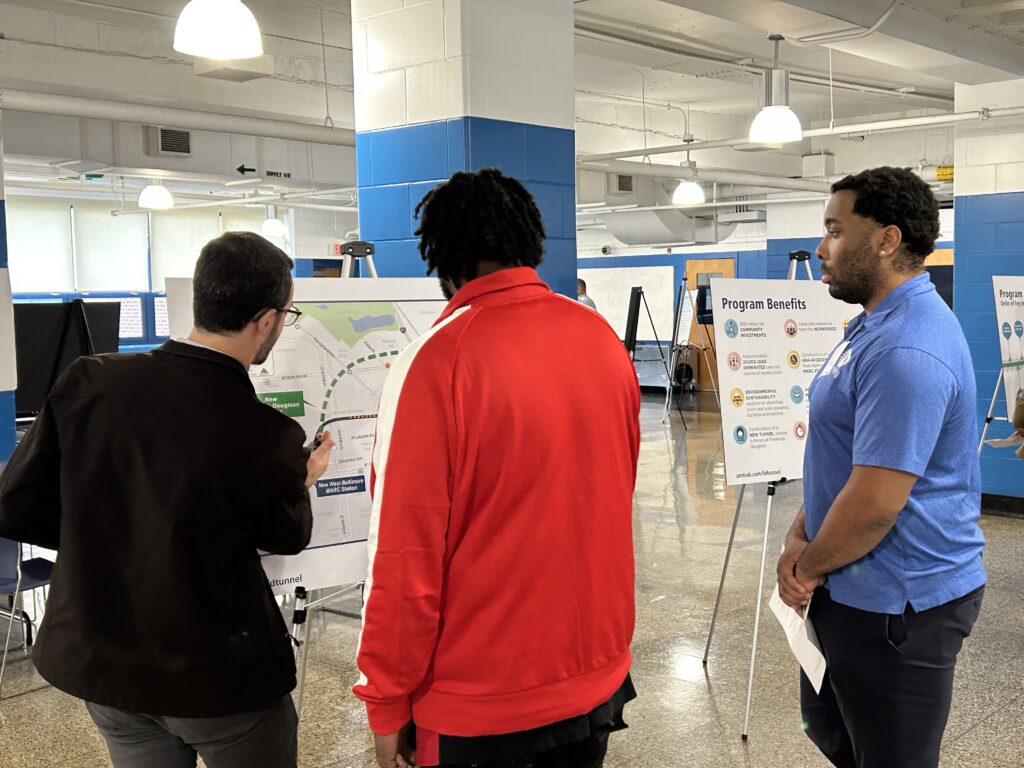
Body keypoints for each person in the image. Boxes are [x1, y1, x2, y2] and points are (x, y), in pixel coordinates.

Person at [0, 232, 335, 768]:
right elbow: (285, 537)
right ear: (267, 320)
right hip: (219, 679)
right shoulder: (265, 434)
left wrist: (113, 533)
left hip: (107, 666)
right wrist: (303, 480)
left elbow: (14, 505)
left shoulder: (89, 381)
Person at [352, 169, 640, 768]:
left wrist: (386, 701)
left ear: (442, 257)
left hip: (480, 703)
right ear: (529, 243)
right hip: (595, 675)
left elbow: (404, 557)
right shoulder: (601, 340)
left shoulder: (434, 361)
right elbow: (614, 489)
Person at [777, 167, 986, 768]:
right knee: (840, 738)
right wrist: (800, 532)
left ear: (887, 240)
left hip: (899, 605)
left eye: (835, 231)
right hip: (848, 583)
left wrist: (805, 567)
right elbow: (842, 455)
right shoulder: (870, 326)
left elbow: (873, 505)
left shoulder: (905, 347)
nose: (822, 247)